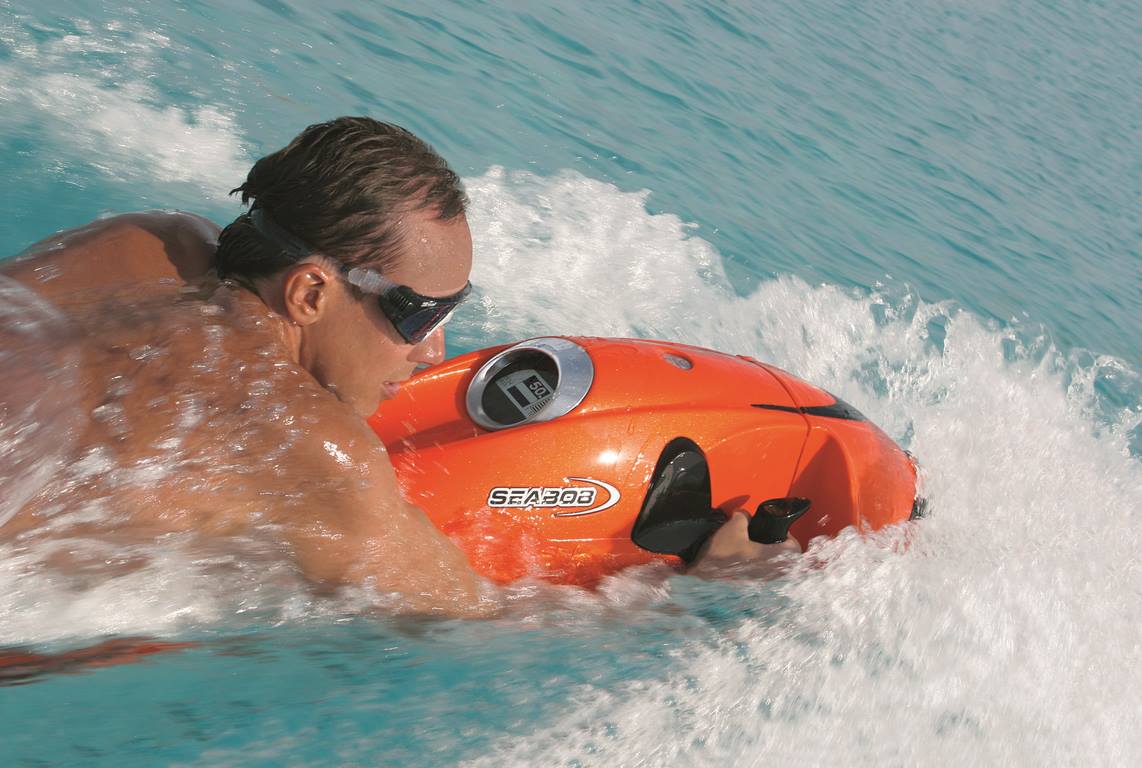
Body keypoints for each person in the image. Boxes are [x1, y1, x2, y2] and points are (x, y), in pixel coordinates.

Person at [0, 117, 796, 615]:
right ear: (309, 292)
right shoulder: (309, 446)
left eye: (451, 314)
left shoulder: (143, 241)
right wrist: (687, 590)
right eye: (415, 314)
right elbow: (467, 616)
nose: (434, 350)